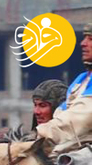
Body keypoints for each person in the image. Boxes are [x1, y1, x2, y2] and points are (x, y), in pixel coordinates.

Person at [35, 23, 92, 153]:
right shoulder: (81, 79)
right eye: (85, 38)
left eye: (91, 39)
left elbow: (77, 119)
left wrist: (41, 134)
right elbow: (61, 113)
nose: (83, 43)